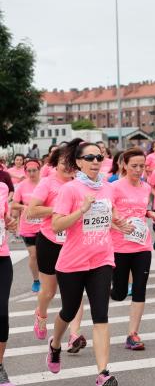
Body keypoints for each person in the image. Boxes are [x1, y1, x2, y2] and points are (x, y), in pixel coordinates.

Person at [49, 139, 133, 386]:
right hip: (72, 262)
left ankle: (103, 373)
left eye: (99, 157)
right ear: (78, 162)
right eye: (90, 158)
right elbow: (56, 225)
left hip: (102, 259)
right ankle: (55, 345)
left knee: (101, 316)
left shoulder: (107, 189)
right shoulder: (70, 190)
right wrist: (81, 210)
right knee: (69, 309)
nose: (96, 162)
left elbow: (108, 216)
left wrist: (119, 224)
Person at [28, 146, 87, 352]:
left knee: (75, 292)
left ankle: (74, 334)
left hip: (74, 243)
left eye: (72, 163)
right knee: (49, 291)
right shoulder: (47, 183)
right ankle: (41, 314)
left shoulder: (80, 183)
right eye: (64, 162)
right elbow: (30, 211)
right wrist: (58, 209)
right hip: (50, 242)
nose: (68, 167)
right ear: (56, 162)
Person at [110, 148, 155, 350]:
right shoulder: (114, 187)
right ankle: (110, 287)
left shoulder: (146, 188)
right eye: (134, 166)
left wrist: (150, 214)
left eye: (142, 166)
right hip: (119, 247)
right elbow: (106, 215)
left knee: (140, 289)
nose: (138, 170)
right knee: (120, 293)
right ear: (124, 165)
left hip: (142, 245)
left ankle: (133, 334)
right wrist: (118, 225)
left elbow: (139, 209)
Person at [10, 160, 43, 292]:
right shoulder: (22, 186)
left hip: (44, 226)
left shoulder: (44, 184)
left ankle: (49, 277)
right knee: (33, 255)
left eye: (34, 170)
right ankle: (36, 280)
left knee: (45, 255)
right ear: (25, 171)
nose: (31, 173)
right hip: (28, 226)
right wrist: (25, 206)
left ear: (39, 170)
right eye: (28, 171)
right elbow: (14, 204)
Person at [0, 180, 18, 386]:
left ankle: (0, 366)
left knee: (1, 315)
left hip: (2, 259)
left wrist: (10, 222)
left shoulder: (2, 188)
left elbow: (5, 217)